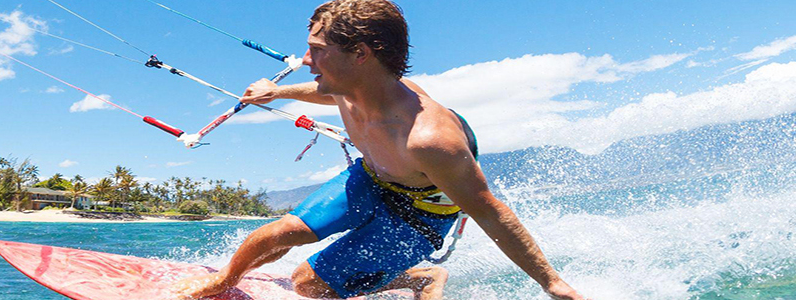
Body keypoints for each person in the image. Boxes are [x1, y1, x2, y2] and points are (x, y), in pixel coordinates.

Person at [170, 1, 585, 299]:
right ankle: (223, 281)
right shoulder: (349, 86)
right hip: (372, 176)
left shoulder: (428, 139)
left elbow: (490, 211)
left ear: (361, 54)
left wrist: (551, 282)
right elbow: (324, 92)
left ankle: (422, 278)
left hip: (419, 214)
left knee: (307, 284)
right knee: (282, 233)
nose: (306, 59)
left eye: (317, 49)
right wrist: (277, 91)